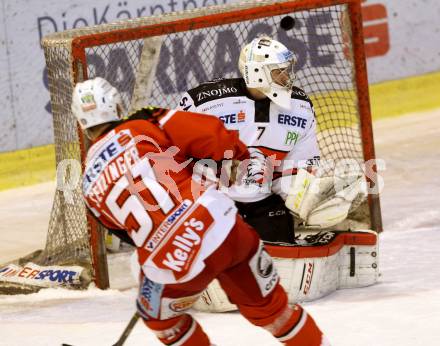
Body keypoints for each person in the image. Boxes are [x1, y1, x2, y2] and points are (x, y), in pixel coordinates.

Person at [71, 77, 328, 346]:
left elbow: (127, 235)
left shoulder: (87, 181)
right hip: (222, 226)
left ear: (81, 122)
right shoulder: (146, 122)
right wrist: (237, 155)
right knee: (273, 311)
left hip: (171, 258)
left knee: (161, 321)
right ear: (117, 104)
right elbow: (209, 134)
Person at [177, 36, 321, 245]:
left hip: (260, 202)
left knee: (281, 246)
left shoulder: (301, 107)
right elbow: (175, 157)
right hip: (209, 202)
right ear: (256, 73)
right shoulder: (202, 103)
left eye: (287, 69)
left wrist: (303, 196)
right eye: (278, 71)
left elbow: (297, 167)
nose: (287, 76)